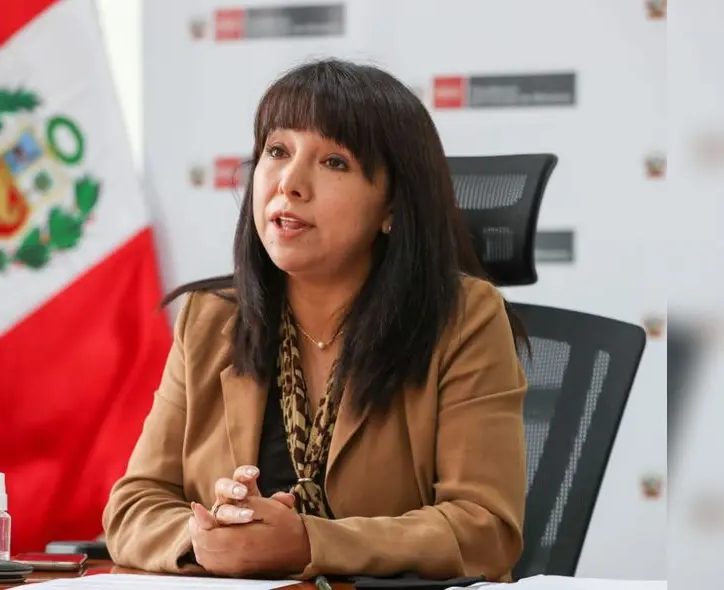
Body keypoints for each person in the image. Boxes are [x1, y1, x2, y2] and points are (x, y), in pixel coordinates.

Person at [102, 58, 529, 582]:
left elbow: (484, 529)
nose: (290, 183)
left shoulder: (463, 319)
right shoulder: (210, 318)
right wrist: (206, 537)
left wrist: (309, 542)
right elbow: (133, 506)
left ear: (392, 206)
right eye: (277, 151)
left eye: (334, 162)